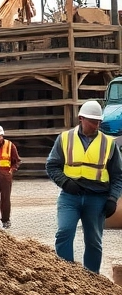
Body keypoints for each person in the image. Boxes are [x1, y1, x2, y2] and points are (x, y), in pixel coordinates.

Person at [45, 99, 122, 274]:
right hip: (70, 196)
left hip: (97, 198)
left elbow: (118, 176)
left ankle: (91, 278)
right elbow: (52, 166)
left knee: (94, 240)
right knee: (64, 232)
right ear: (81, 118)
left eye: (99, 122)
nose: (96, 125)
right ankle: (67, 276)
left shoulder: (108, 144)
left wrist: (112, 198)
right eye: (93, 121)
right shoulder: (64, 139)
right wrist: (64, 182)